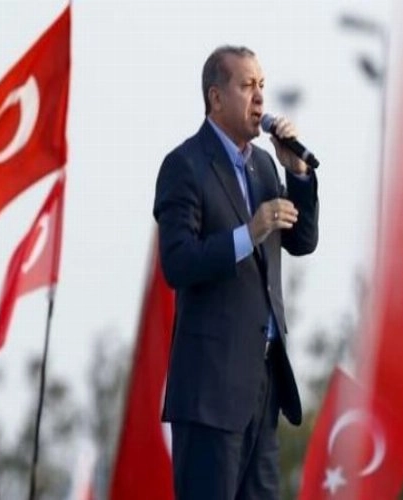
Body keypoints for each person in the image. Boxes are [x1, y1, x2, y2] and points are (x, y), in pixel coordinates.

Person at [153, 45, 319, 499]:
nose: (260, 97)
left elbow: (302, 242)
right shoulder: (185, 166)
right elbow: (178, 262)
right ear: (216, 98)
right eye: (247, 86)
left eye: (262, 85)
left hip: (262, 388)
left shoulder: (264, 166)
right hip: (209, 393)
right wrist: (249, 233)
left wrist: (298, 175)